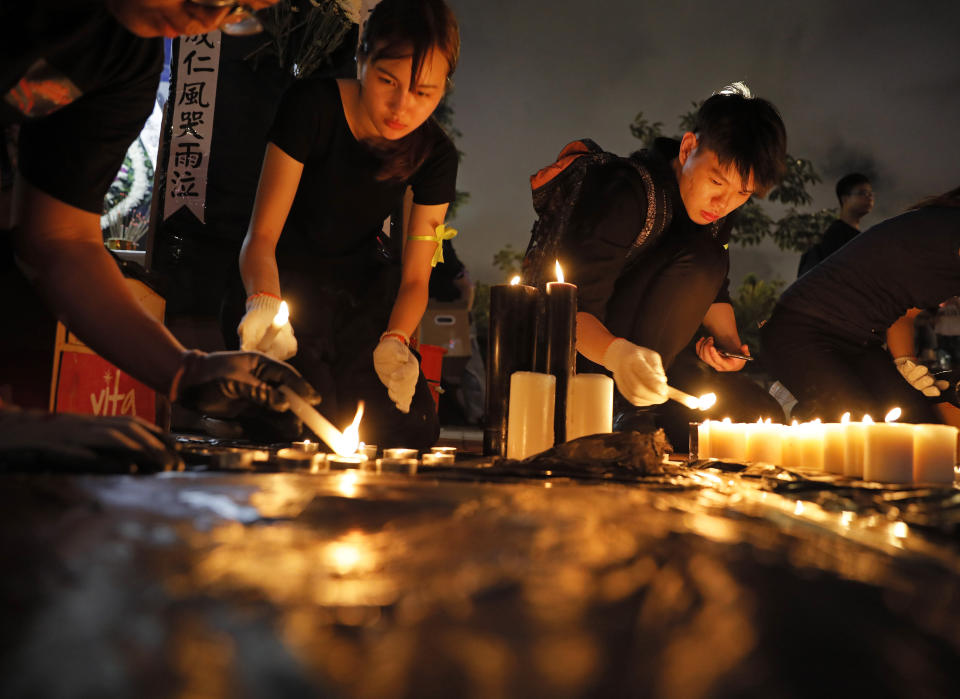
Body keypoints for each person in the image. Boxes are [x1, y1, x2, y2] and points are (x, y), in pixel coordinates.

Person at [0, 0, 320, 468]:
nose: (211, 13)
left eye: (242, 7)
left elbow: (60, 239)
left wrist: (185, 371)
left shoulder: (126, 58)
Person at [224, 0, 460, 449]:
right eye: (387, 80)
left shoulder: (436, 155)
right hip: (281, 285)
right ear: (362, 59)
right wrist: (263, 305)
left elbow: (415, 277)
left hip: (357, 301)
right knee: (308, 421)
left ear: (442, 90)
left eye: (424, 92)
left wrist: (395, 340)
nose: (401, 107)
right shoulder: (311, 105)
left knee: (408, 429)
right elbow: (261, 238)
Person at [540, 83, 787, 445]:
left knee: (758, 416)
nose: (723, 202)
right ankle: (627, 411)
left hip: (660, 372)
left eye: (742, 194)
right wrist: (620, 357)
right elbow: (571, 310)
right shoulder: (626, 190)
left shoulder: (716, 212)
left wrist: (730, 347)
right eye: (716, 181)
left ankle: (646, 412)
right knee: (704, 257)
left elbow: (715, 289)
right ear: (688, 148)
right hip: (590, 358)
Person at [760, 187, 960, 424]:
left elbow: (906, 311)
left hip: (860, 342)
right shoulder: (945, 226)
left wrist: (905, 363)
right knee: (860, 428)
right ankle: (805, 410)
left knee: (918, 424)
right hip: (801, 331)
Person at [797, 173, 873, 276]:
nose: (869, 198)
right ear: (845, 199)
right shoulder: (836, 235)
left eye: (870, 194)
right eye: (862, 193)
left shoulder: (855, 236)